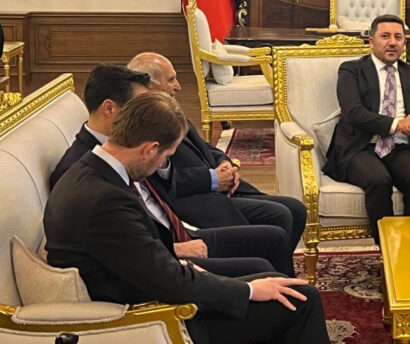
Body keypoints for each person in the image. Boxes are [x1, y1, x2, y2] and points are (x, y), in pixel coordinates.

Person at [44, 92, 329, 344]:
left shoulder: (87, 170)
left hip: (147, 286)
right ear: (150, 149)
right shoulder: (106, 200)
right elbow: (168, 282)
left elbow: (146, 261)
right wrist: (248, 290)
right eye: (165, 157)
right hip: (154, 316)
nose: (161, 165)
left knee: (277, 282)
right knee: (301, 300)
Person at [49, 64, 293, 277]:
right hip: (165, 252)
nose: (147, 113)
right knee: (262, 265)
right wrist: (174, 249)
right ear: (109, 109)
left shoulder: (130, 143)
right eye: (139, 107)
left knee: (276, 236)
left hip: (177, 230)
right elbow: (120, 250)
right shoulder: (78, 168)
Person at [127, 53, 306, 264]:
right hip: (194, 199)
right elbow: (164, 180)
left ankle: (277, 266)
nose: (178, 86)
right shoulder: (143, 123)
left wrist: (224, 162)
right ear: (149, 85)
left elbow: (204, 146)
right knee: (279, 215)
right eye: (171, 80)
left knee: (296, 209)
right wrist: (212, 178)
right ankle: (271, 269)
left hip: (221, 188)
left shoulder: (167, 108)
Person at [321, 14, 410, 244]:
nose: (392, 42)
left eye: (398, 37)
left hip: (400, 147)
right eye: (385, 36)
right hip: (361, 147)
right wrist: (397, 124)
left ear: (404, 43)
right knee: (379, 181)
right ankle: (387, 251)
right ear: (371, 41)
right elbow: (353, 112)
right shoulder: (352, 70)